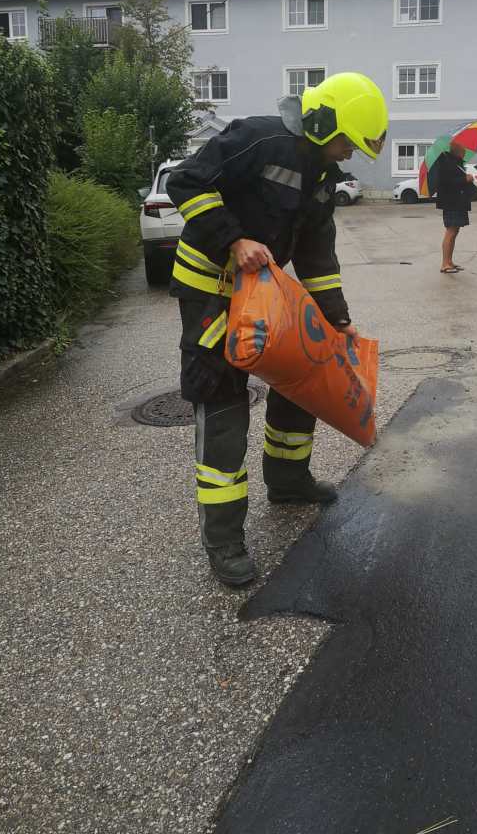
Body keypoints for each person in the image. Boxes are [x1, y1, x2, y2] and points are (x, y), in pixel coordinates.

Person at [166, 73, 388, 586]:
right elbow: (186, 182)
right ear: (323, 122)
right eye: (346, 143)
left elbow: (317, 254)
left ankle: (288, 481)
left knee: (303, 379)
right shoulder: (258, 138)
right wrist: (233, 240)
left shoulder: (323, 175)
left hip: (267, 294)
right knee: (223, 402)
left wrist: (337, 319)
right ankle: (224, 540)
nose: (349, 154)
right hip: (212, 290)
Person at [437, 142, 475, 274]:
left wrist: (467, 179)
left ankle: (449, 261)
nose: (465, 151)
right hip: (451, 202)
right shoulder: (446, 163)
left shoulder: (456, 163)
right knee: (451, 231)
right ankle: (444, 264)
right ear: (457, 150)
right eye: (463, 149)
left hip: (458, 202)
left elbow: (456, 179)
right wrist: (465, 179)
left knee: (455, 231)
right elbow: (446, 182)